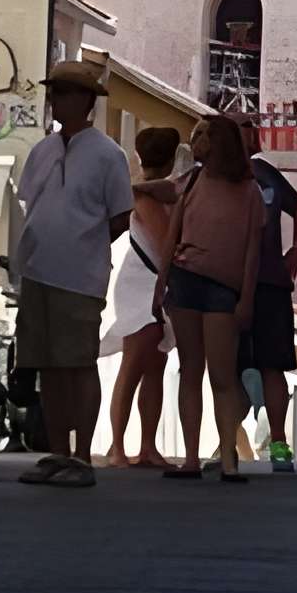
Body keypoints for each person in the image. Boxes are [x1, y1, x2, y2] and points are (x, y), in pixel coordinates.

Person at [12, 59, 133, 489]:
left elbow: (121, 216)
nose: (56, 99)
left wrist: (84, 243)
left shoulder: (108, 154)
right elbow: (31, 202)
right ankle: (58, 450)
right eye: (54, 91)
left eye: (64, 92)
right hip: (39, 271)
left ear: (86, 101)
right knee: (48, 365)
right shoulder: (43, 150)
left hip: (79, 277)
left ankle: (82, 455)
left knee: (78, 364)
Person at [154, 114, 264, 482]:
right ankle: (190, 457)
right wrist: (162, 284)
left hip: (222, 289)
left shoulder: (248, 191)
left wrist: (246, 298)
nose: (195, 140)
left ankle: (228, 456)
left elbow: (253, 250)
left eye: (202, 134)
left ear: (220, 142)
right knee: (191, 370)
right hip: (186, 281)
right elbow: (173, 234)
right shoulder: (193, 180)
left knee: (221, 375)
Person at [100, 125, 184, 468]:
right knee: (134, 363)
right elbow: (167, 242)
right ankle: (118, 446)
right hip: (144, 282)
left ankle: (146, 445)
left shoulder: (152, 192)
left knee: (155, 364)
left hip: (148, 280)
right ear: (170, 159)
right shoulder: (148, 199)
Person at [234, 116, 297, 471]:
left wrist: (295, 252)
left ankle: (277, 442)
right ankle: (233, 442)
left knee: (268, 365)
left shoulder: (262, 173)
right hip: (237, 283)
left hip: (262, 284)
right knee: (238, 365)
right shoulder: (217, 176)